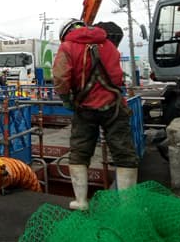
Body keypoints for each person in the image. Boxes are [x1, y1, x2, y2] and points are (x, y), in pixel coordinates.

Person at [52, 18, 139, 210]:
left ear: (65, 33)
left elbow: (60, 77)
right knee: (124, 153)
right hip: (114, 106)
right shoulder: (108, 43)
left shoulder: (67, 47)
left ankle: (81, 201)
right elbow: (117, 75)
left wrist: (66, 99)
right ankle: (128, 206)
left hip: (85, 108)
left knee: (80, 152)